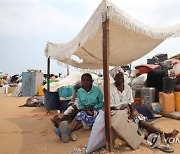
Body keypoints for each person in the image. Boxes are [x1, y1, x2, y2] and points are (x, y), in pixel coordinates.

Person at [53, 73, 104, 143]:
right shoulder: (80, 91)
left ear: (91, 81)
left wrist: (93, 108)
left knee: (84, 119)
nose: (86, 82)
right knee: (80, 115)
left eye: (87, 80)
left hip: (96, 110)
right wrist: (85, 109)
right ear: (81, 81)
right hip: (85, 110)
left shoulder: (97, 90)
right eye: (84, 80)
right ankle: (67, 132)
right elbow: (79, 104)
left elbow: (101, 102)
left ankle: (64, 132)